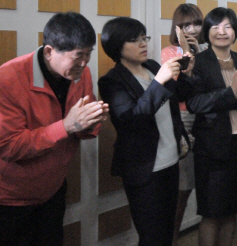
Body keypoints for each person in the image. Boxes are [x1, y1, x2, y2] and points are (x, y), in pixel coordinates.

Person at [0, 12, 108, 245]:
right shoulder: (8, 78)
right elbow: (9, 147)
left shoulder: (81, 73)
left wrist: (91, 122)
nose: (85, 63)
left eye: (88, 55)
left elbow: (80, 131)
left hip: (53, 189)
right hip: (11, 197)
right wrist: (66, 126)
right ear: (49, 51)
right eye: (78, 56)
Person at [99, 17, 193, 246]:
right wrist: (159, 82)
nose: (143, 44)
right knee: (152, 235)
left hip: (170, 162)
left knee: (167, 230)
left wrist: (186, 71)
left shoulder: (151, 66)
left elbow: (179, 95)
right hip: (144, 169)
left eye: (144, 38)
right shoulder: (111, 81)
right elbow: (131, 121)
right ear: (116, 46)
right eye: (134, 40)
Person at [186, 7, 237, 246]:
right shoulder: (200, 63)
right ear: (207, 32)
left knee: (232, 208)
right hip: (212, 147)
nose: (222, 32)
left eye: (227, 26)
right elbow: (194, 103)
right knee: (212, 212)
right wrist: (231, 92)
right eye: (215, 27)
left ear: (235, 31)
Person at [160, 3, 206, 245]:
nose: (192, 28)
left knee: (207, 183)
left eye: (197, 23)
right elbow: (174, 90)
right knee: (183, 187)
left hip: (208, 119)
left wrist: (199, 54)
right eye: (186, 24)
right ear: (177, 27)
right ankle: (172, 238)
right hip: (183, 119)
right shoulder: (169, 52)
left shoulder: (208, 49)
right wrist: (188, 55)